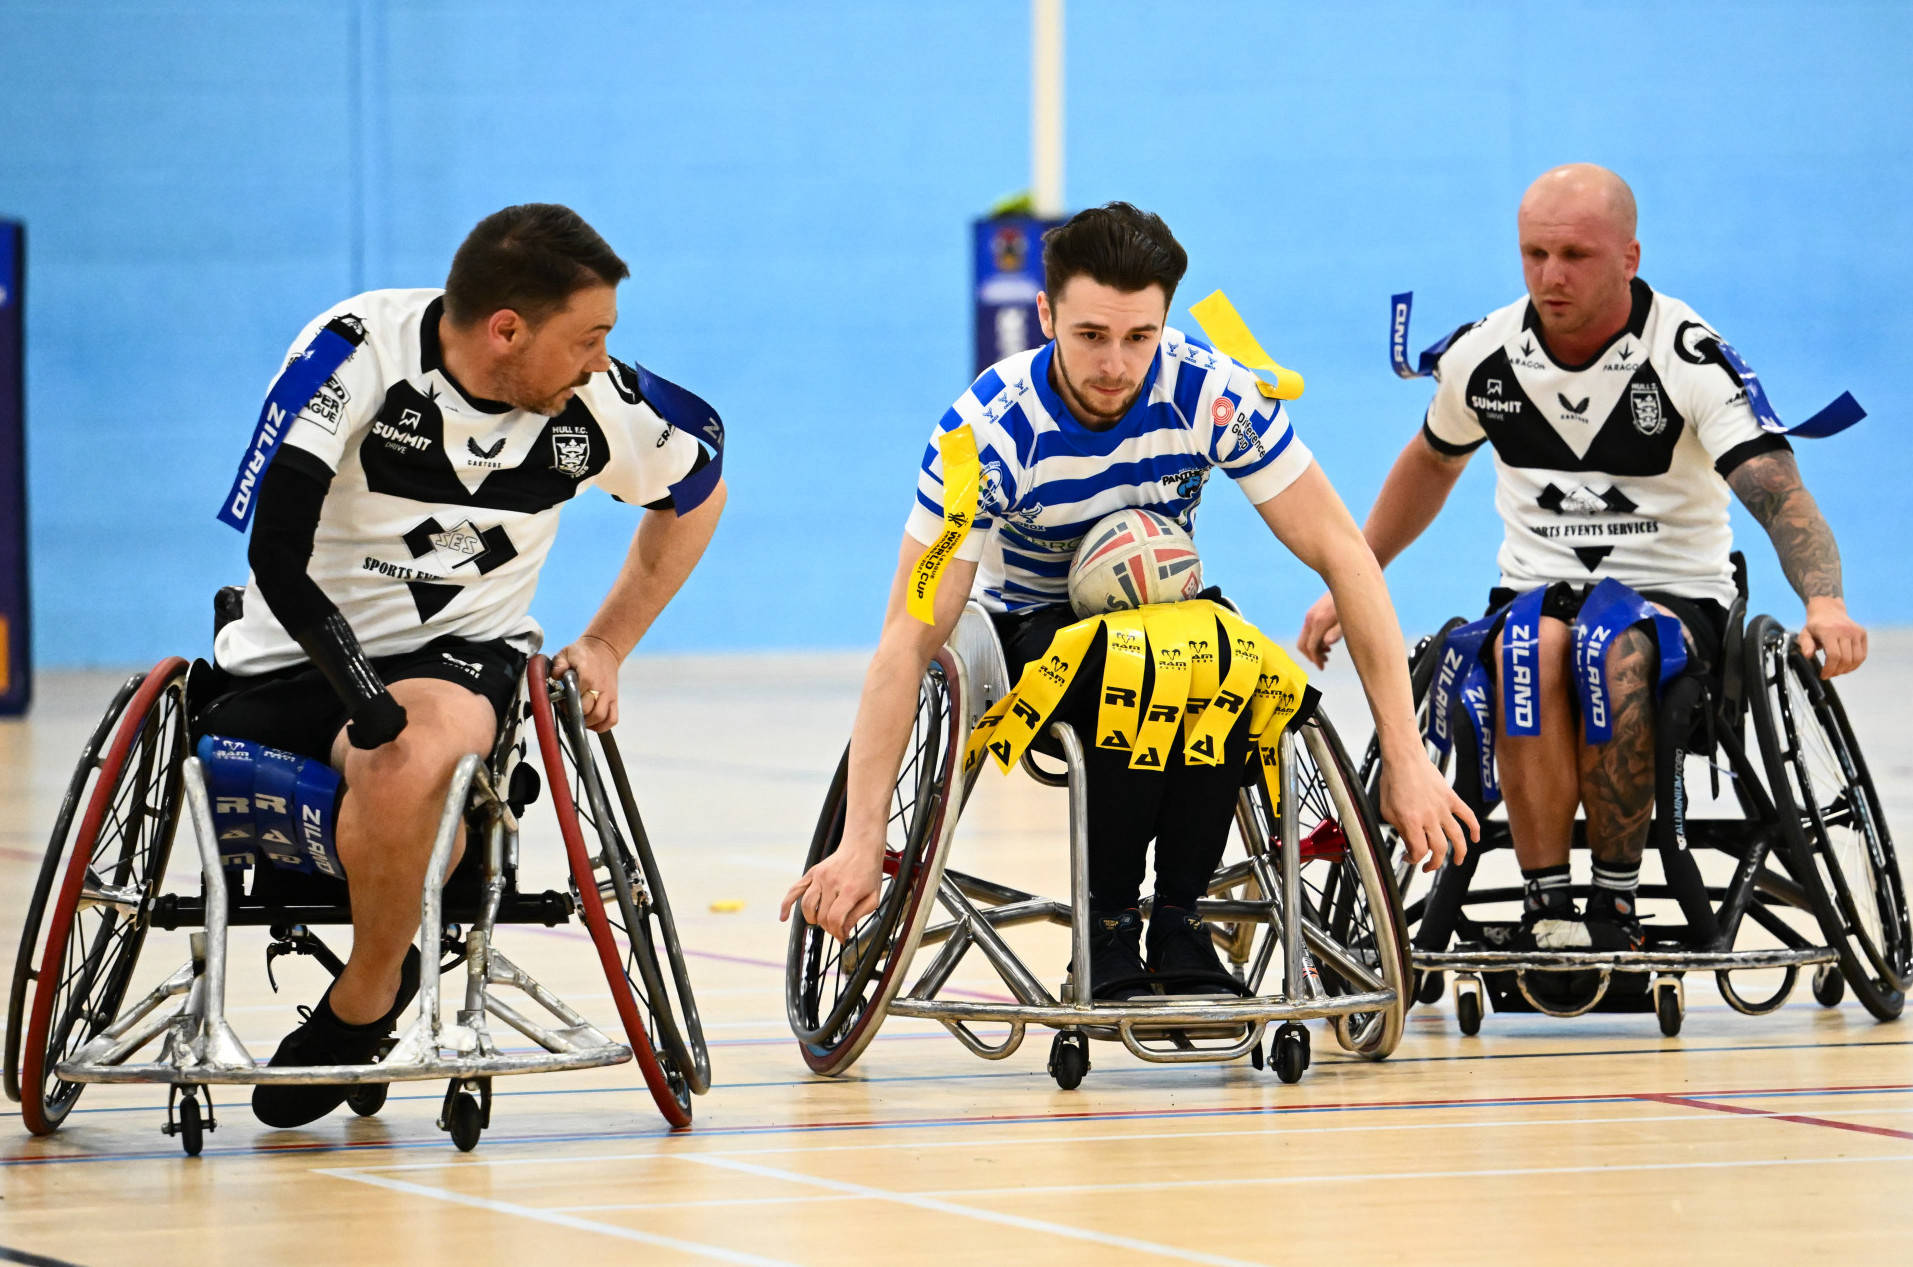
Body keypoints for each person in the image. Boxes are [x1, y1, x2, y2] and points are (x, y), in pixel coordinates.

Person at [781, 202, 1473, 999]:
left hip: (1170, 615)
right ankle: (1106, 924)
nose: (1115, 364)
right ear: (1045, 315)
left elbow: (1344, 554)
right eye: (1090, 336)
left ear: (1165, 322)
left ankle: (1180, 920)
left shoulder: (1207, 393)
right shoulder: (984, 436)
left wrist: (1406, 756)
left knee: (1235, 665)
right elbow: (908, 636)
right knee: (1130, 668)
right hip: (1034, 630)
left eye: (1139, 337)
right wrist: (864, 833)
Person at [199, 203, 726, 1127]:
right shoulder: (354, 349)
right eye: (588, 337)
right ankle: (390, 932)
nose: (601, 359)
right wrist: (362, 697)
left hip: (456, 659)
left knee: (413, 751)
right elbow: (275, 553)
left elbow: (699, 482)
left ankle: (363, 1001)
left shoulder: (594, 404)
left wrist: (604, 641)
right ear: (506, 329)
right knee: (391, 736)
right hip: (288, 651)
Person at [1297, 163, 1866, 952]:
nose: (1549, 276)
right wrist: (1356, 574)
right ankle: (1550, 904)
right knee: (1533, 646)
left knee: (1609, 647)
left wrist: (1824, 601)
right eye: (1533, 254)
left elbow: (1777, 492)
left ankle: (1616, 900)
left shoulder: (1685, 356)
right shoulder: (1485, 355)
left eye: (1574, 255)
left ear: (1629, 258)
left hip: (1675, 599)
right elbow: (1429, 462)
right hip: (1533, 596)